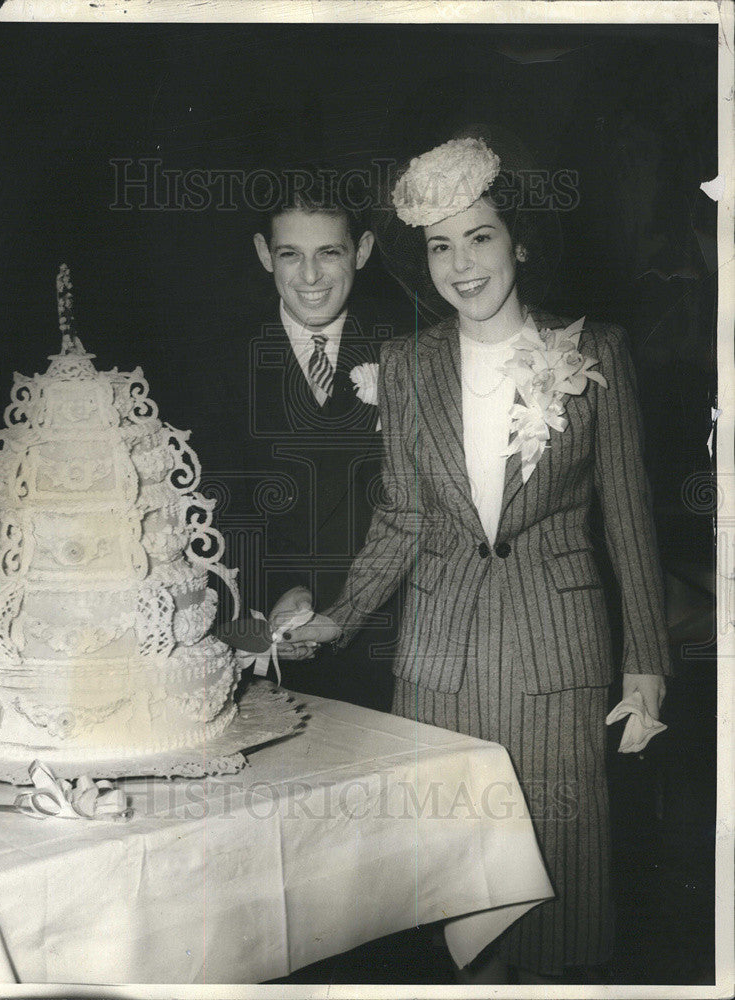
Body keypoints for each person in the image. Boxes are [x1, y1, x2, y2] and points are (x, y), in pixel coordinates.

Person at [275, 128, 672, 983]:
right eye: (440, 246)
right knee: (454, 891)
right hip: (436, 663)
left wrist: (645, 660)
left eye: (479, 237)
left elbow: (630, 516)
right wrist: (338, 618)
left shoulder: (593, 350)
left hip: (556, 658)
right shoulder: (407, 365)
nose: (461, 265)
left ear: (518, 241)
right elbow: (402, 518)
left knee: (558, 886)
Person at [206, 166, 408, 708]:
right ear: (263, 252)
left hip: (387, 644)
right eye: (290, 253)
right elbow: (217, 511)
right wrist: (270, 602)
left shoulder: (406, 351)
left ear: (361, 251)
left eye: (330, 253)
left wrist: (344, 610)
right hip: (269, 647)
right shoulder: (220, 361)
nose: (311, 276)